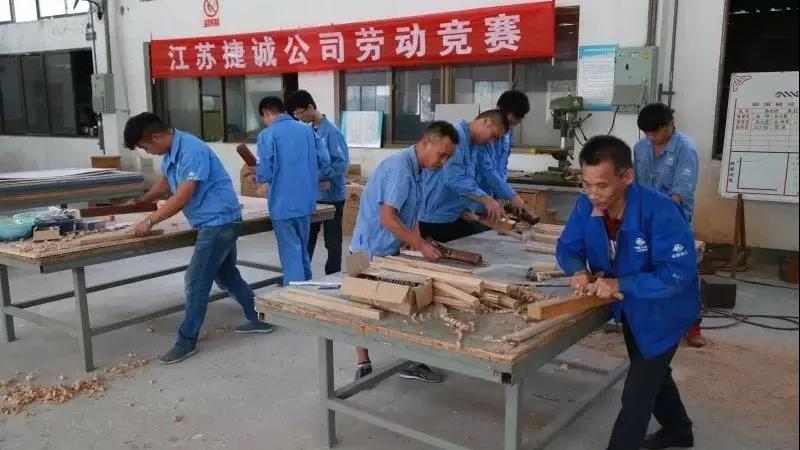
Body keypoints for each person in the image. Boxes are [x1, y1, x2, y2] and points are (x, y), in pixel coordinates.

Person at [557, 135, 699, 450]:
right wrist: (577, 270)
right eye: (586, 184)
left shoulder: (660, 210)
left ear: (627, 177)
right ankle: (679, 430)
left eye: (602, 186)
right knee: (652, 372)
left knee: (637, 393)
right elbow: (568, 248)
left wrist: (620, 284)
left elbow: (678, 273)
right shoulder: (586, 206)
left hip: (664, 310)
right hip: (631, 307)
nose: (593, 194)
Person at [124, 112, 273, 365]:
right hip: (214, 221)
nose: (147, 152)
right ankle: (260, 317)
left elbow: (183, 196)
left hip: (219, 222)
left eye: (145, 147)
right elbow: (165, 182)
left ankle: (186, 340)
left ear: (157, 137)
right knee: (226, 276)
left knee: (195, 280)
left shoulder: (191, 149)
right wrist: (142, 201)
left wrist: (150, 221)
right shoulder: (171, 151)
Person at [350, 121, 459, 383]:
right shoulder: (400, 170)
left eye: (448, 157)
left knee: (405, 304)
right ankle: (363, 363)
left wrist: (416, 241)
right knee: (361, 306)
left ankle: (411, 360)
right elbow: (387, 218)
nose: (443, 162)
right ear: (425, 143)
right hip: (369, 250)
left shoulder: (417, 169)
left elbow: (410, 215)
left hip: (390, 248)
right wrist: (420, 245)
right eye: (441, 155)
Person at [634, 103, 705, 348]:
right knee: (644, 268)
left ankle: (693, 327)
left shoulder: (685, 149)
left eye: (654, 132)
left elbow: (680, 193)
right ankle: (650, 321)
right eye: (646, 133)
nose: (650, 137)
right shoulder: (641, 148)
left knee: (681, 271)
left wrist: (658, 219)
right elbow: (635, 185)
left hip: (674, 221)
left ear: (670, 125)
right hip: (645, 220)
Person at [253, 96, 335, 285]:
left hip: (282, 205)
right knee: (302, 250)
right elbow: (325, 160)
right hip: (305, 202)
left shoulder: (267, 135)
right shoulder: (307, 130)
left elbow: (265, 172)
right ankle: (306, 291)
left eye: (263, 118)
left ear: (266, 113)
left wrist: (258, 176)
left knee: (291, 253)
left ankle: (293, 293)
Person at [418, 109, 509, 243]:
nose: (491, 142)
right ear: (486, 122)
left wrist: (467, 208)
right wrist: (487, 200)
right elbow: (454, 179)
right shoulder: (456, 138)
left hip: (453, 215)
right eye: (493, 136)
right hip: (436, 218)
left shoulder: (473, 144)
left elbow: (468, 179)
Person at [287, 90, 348, 275]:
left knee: (332, 241)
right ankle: (303, 276)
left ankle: (333, 277)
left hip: (332, 196)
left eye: (300, 113)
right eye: (295, 115)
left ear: (310, 107)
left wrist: (316, 175)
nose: (299, 118)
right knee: (307, 239)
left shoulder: (332, 132)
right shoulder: (307, 132)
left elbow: (341, 164)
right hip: (313, 197)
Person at [476, 90, 532, 215]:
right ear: (498, 109)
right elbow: (487, 170)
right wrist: (511, 195)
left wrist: (500, 196)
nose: (510, 128)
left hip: (493, 200)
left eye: (515, 124)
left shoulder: (507, 133)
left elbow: (502, 166)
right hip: (476, 199)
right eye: (510, 122)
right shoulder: (483, 133)